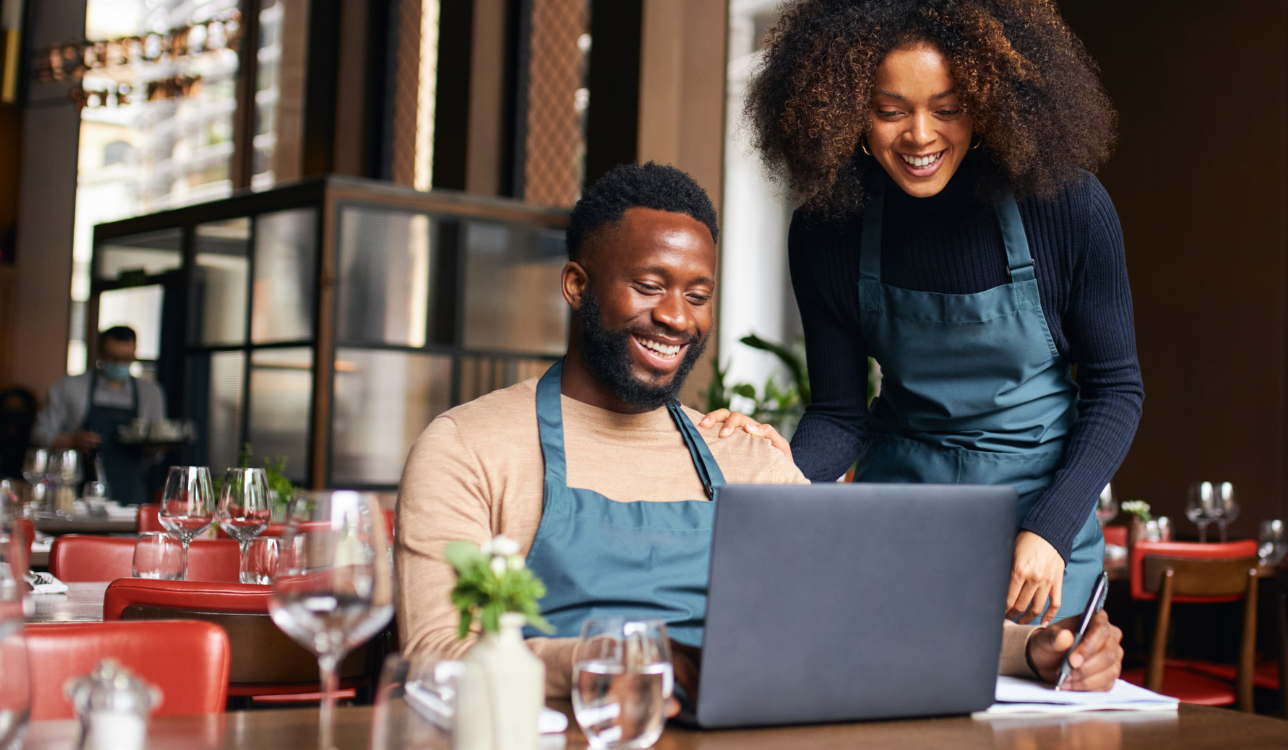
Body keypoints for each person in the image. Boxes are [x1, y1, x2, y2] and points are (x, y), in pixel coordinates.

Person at [396, 162, 1123, 700]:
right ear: (578, 285)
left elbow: (868, 619)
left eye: (698, 295)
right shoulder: (469, 448)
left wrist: (1035, 651)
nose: (677, 317)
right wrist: (618, 664)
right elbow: (433, 658)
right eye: (649, 286)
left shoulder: (740, 455)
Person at [712, 0, 1144, 626]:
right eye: (890, 111)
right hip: (899, 516)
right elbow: (839, 414)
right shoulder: (828, 230)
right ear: (847, 107)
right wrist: (779, 476)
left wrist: (1050, 530)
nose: (919, 135)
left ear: (990, 104)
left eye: (948, 109)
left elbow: (1115, 391)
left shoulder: (1067, 207)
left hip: (1040, 522)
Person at [33, 326, 167, 505]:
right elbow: (39, 435)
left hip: (130, 491)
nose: (119, 364)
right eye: (113, 358)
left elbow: (157, 453)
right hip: (77, 491)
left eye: (126, 359)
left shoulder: (150, 393)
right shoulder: (69, 387)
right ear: (100, 353)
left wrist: (153, 446)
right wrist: (72, 441)